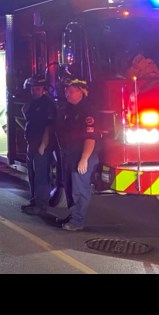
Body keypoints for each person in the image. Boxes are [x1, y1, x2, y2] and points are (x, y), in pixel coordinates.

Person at [55, 79, 99, 231]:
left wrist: (84, 159)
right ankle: (73, 215)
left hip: (81, 155)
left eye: (71, 91)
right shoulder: (68, 109)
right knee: (69, 187)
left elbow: (90, 138)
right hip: (69, 154)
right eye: (67, 91)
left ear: (81, 92)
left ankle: (77, 221)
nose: (67, 94)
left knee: (79, 189)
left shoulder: (87, 111)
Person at [21, 76, 57, 216]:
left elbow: (49, 126)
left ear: (44, 89)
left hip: (41, 145)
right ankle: (34, 201)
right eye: (33, 88)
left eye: (38, 88)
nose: (35, 91)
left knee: (41, 175)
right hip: (32, 143)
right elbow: (27, 117)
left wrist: (43, 144)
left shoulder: (47, 104)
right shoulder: (33, 103)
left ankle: (41, 205)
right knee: (33, 175)